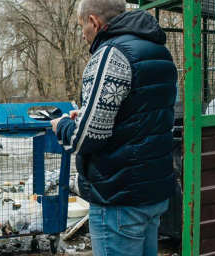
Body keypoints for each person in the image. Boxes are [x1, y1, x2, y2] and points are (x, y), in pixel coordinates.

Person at [50, 1, 177, 255]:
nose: (83, 35)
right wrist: (86, 115)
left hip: (120, 198)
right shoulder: (159, 51)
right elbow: (138, 115)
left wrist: (63, 124)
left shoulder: (111, 55)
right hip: (154, 192)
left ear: (94, 22)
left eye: (81, 27)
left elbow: (85, 139)